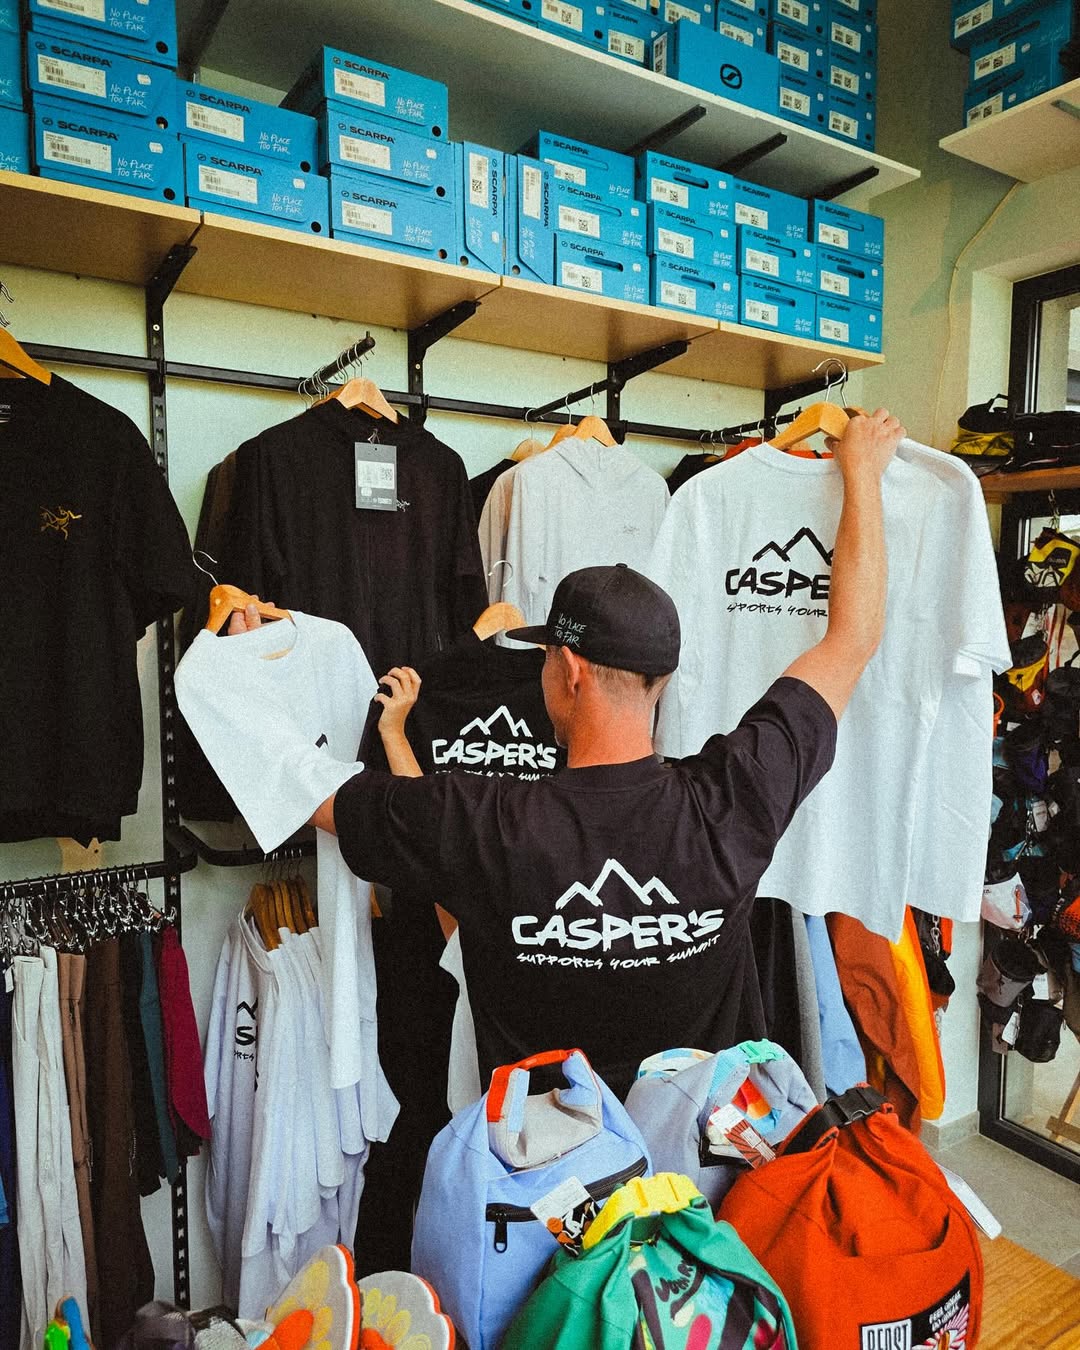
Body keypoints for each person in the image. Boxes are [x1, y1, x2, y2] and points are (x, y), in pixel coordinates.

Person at [234, 407, 905, 1100]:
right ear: (662, 677)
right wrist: (861, 476)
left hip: (545, 1182)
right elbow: (852, 638)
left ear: (570, 671)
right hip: (701, 1178)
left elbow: (303, 787)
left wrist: (244, 661)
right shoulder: (736, 796)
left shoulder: (479, 821)